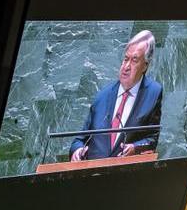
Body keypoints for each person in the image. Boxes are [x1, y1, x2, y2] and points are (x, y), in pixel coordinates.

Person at [69, 30, 163, 162]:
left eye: (134, 60)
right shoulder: (103, 95)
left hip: (126, 174)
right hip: (94, 173)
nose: (126, 66)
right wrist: (77, 151)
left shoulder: (153, 92)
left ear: (145, 66)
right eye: (125, 59)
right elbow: (80, 140)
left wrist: (135, 148)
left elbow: (152, 138)